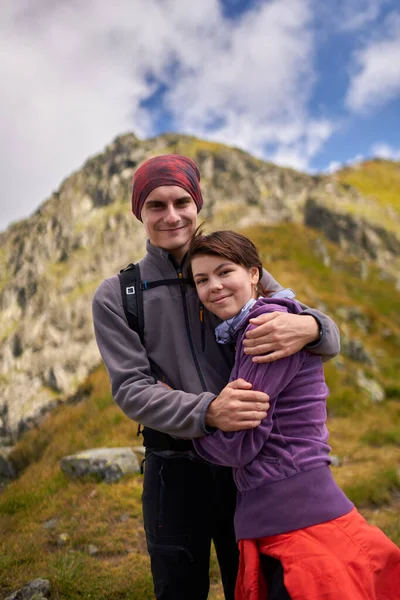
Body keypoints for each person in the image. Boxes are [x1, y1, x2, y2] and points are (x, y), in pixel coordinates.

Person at [92, 154, 341, 600]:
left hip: (248, 467)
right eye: (156, 205)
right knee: (178, 588)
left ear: (197, 204)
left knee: (250, 586)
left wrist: (313, 327)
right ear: (139, 213)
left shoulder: (226, 264)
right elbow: (131, 389)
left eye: (182, 201)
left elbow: (304, 319)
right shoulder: (119, 294)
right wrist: (209, 410)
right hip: (172, 469)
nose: (171, 215)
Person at [187, 229, 400, 600]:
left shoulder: (263, 327)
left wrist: (189, 422)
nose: (214, 287)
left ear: (254, 274)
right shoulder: (252, 327)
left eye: (224, 272)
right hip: (289, 509)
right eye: (202, 280)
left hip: (296, 518)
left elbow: (240, 443)